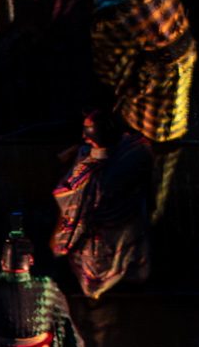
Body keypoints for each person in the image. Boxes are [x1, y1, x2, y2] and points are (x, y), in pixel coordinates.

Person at [90, 0, 197, 216]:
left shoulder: (128, 14)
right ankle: (153, 205)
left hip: (152, 102)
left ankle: (144, 209)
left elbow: (100, 8)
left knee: (145, 153)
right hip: (181, 66)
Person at [50, 109, 155, 300]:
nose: (83, 136)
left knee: (94, 265)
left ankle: (98, 287)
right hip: (131, 223)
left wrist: (60, 243)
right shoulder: (138, 149)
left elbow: (71, 207)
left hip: (101, 237)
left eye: (87, 133)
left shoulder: (87, 177)